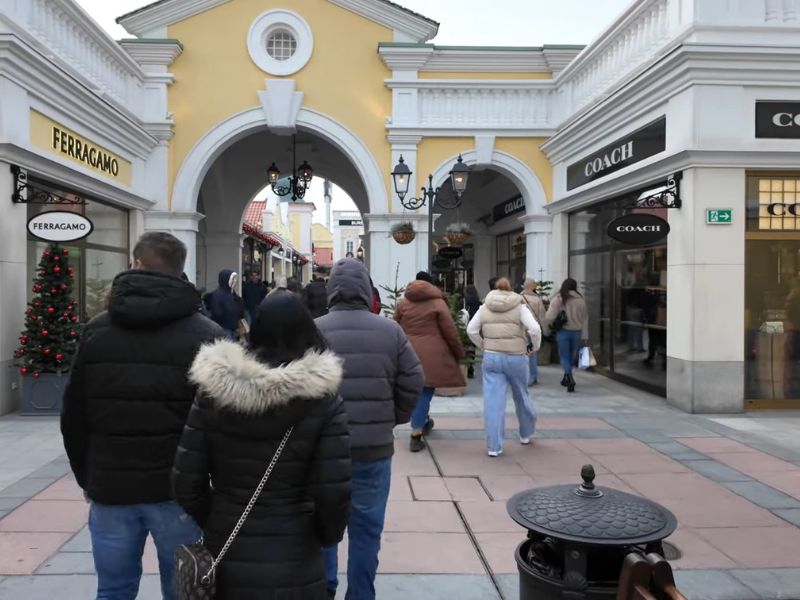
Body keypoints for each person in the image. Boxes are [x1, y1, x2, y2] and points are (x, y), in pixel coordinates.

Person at [61, 232, 222, 600]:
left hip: (111, 487)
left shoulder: (96, 331)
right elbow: (222, 422)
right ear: (180, 270)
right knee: (185, 591)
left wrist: (88, 476)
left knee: (113, 590)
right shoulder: (206, 334)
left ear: (135, 264)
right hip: (179, 492)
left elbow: (73, 415)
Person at [172, 294, 351, 599]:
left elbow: (186, 480)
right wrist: (324, 535)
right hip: (296, 551)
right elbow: (334, 491)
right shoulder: (323, 401)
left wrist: (216, 517)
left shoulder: (213, 393)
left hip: (227, 546)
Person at [315, 258, 424, 600]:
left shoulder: (313, 330)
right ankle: (361, 594)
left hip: (323, 452)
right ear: (366, 289)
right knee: (367, 531)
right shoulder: (390, 331)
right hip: (373, 451)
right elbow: (414, 379)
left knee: (321, 525)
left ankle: (323, 588)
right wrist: (391, 417)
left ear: (331, 289)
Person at [467, 277, 541, 457]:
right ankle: (526, 433)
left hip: (492, 357)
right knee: (521, 395)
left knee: (493, 402)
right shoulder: (520, 306)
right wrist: (534, 347)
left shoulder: (485, 307)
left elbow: (471, 330)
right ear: (510, 289)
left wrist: (484, 345)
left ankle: (494, 446)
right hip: (516, 357)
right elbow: (534, 329)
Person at [395, 271, 465, 453]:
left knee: (415, 390)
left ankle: (423, 421)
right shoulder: (437, 303)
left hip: (408, 352)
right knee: (425, 391)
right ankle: (416, 434)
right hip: (432, 354)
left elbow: (395, 327)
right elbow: (449, 330)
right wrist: (458, 352)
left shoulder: (403, 303)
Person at [546, 278, 589, 393]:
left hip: (563, 332)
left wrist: (548, 327)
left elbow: (550, 316)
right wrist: (585, 336)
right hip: (577, 332)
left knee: (564, 356)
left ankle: (569, 377)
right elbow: (585, 319)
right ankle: (567, 377)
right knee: (572, 356)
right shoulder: (581, 300)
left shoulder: (559, 299)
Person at [203, 269, 245, 339]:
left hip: (234, 331)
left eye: (235, 279)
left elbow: (241, 313)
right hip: (222, 330)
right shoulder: (215, 296)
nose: (234, 281)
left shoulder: (234, 296)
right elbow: (216, 314)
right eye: (232, 279)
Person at [521, 279, 547, 385]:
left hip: (522, 330)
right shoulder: (537, 300)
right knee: (532, 353)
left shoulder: (518, 298)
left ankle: (524, 376)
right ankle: (533, 376)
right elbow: (542, 317)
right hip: (533, 329)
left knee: (521, 353)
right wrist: (545, 330)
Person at [464, 285, 482, 379]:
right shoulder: (479, 304)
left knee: (466, 347)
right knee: (472, 348)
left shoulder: (463, 302)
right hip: (475, 327)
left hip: (465, 326)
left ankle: (466, 367)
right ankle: (471, 366)